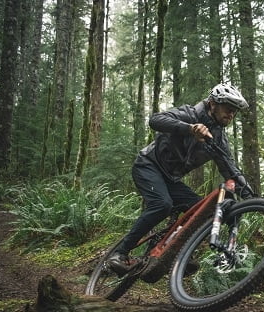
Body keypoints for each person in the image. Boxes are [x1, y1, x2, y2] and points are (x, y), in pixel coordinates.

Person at [108, 83, 253, 277]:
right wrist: (189, 128)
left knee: (204, 212)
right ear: (212, 104)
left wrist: (250, 196)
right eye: (228, 109)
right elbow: (155, 120)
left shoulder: (218, 139)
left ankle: (172, 256)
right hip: (148, 165)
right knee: (162, 205)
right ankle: (119, 254)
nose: (231, 114)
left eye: (234, 112)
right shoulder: (189, 114)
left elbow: (230, 170)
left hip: (172, 179)